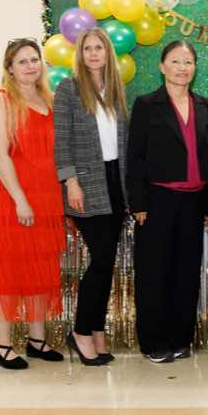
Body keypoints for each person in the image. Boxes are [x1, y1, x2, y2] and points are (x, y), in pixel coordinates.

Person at [0, 38, 65, 369]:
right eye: (22, 61)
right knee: (8, 268)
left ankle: (37, 340)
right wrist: (20, 200)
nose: (30, 66)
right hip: (8, 197)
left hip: (45, 196)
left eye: (34, 59)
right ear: (10, 69)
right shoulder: (1, 101)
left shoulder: (48, 100)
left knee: (41, 264)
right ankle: (2, 346)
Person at [126, 40, 208, 363]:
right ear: (162, 66)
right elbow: (135, 156)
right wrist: (138, 203)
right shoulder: (147, 104)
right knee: (155, 272)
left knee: (186, 272)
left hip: (194, 202)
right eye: (175, 61)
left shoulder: (204, 105)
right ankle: (154, 341)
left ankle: (181, 338)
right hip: (157, 201)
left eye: (188, 62)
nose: (182, 68)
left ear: (195, 68)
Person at [53, 27, 128, 366]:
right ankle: (81, 331)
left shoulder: (116, 89)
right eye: (87, 49)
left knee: (107, 261)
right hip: (86, 182)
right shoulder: (68, 89)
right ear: (80, 55)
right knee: (100, 259)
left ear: (107, 52)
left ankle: (96, 330)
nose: (94, 54)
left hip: (116, 182)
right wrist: (70, 181)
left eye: (99, 48)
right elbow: (61, 141)